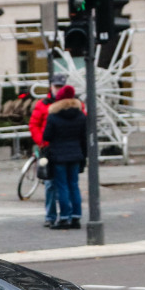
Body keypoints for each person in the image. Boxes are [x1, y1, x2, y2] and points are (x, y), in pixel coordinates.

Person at [42, 84, 86, 230]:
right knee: (74, 185)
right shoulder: (80, 116)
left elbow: (47, 136)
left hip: (59, 156)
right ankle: (76, 217)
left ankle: (64, 217)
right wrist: (83, 157)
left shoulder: (54, 116)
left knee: (62, 187)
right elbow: (84, 139)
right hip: (75, 155)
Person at [29, 73, 67, 228]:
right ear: (51, 87)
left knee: (64, 184)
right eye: (56, 86)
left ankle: (65, 214)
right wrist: (42, 142)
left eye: (60, 87)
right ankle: (51, 216)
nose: (58, 90)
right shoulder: (43, 104)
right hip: (48, 148)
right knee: (51, 184)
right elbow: (34, 124)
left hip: (64, 147)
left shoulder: (70, 103)